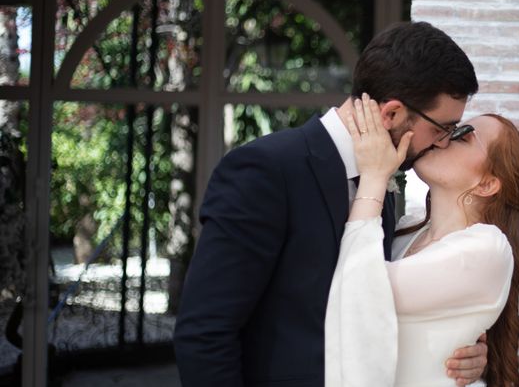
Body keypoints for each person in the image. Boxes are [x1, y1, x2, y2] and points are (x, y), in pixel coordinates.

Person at [173, 22, 489, 387]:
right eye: (442, 128)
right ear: (391, 114)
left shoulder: (381, 180)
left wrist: (458, 349)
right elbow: (205, 333)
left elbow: (371, 312)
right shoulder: (267, 170)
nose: (445, 143)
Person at [326, 94, 519, 386]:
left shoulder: (487, 248)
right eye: (448, 129)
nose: (443, 139)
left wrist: (374, 177)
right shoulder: (406, 232)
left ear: (487, 184)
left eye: (462, 137)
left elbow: (360, 288)